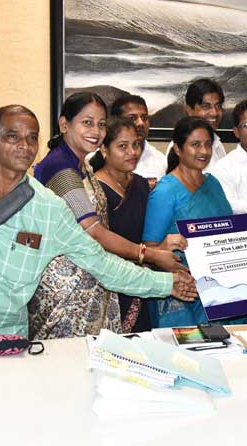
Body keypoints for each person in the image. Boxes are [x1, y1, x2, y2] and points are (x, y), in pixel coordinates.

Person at [0, 104, 196, 349]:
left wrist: (165, 283)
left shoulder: (49, 208)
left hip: (3, 340)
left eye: (32, 138)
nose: (24, 146)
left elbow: (101, 263)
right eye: (12, 136)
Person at [30, 93, 185, 338]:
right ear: (64, 124)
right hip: (67, 293)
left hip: (95, 281)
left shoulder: (81, 164)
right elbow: (94, 232)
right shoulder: (60, 167)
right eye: (87, 122)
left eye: (101, 124)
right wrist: (150, 254)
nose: (96, 131)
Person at [144, 117, 247, 327]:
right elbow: (149, 250)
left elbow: (228, 230)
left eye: (208, 144)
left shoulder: (213, 183)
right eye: (195, 144)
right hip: (184, 294)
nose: (204, 151)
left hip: (225, 287)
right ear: (178, 149)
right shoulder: (165, 191)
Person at [85, 118, 188, 333]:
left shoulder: (141, 184)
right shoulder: (94, 190)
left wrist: (161, 249)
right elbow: (98, 246)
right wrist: (152, 255)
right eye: (122, 146)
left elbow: (144, 239)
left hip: (142, 283)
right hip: (109, 285)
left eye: (136, 144)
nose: (132, 152)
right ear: (104, 149)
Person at [165, 78, 227, 169]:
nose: (214, 113)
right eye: (206, 107)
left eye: (218, 106)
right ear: (190, 110)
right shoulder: (182, 147)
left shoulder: (217, 144)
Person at [110, 94, 167, 189]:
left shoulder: (161, 160)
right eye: (132, 118)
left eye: (144, 118)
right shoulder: (96, 160)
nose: (140, 123)